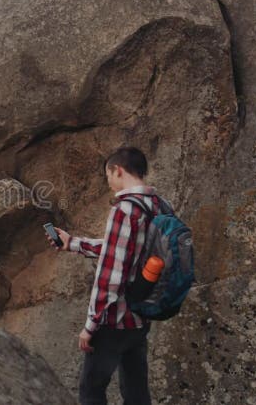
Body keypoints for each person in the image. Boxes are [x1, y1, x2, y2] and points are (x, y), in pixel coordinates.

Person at [49, 146, 171, 405]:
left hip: (114, 321)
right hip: (141, 318)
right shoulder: (159, 206)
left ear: (118, 170)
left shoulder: (124, 210)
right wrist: (73, 243)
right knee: (137, 393)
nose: (110, 183)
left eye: (109, 176)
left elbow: (112, 275)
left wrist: (91, 325)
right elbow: (123, 250)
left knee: (91, 391)